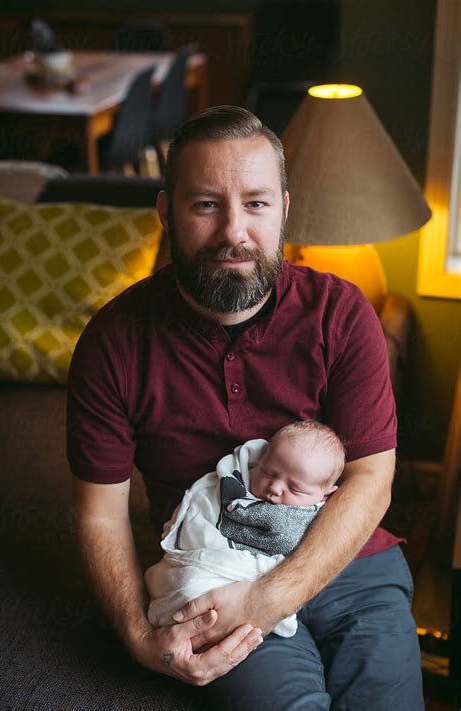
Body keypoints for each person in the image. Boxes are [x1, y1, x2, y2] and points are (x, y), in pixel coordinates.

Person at [67, 105, 423, 709]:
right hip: (212, 572)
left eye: (256, 204)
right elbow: (100, 515)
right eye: (206, 204)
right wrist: (136, 636)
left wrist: (266, 599)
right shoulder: (114, 341)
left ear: (284, 207)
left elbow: (372, 476)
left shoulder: (342, 314)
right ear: (166, 214)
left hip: (348, 558)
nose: (234, 231)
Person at [146, 420, 344, 638]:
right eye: (268, 472)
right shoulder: (232, 485)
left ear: (325, 494)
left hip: (273, 587)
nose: (275, 488)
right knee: (186, 583)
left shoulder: (318, 518)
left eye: (295, 488)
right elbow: (200, 519)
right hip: (210, 563)